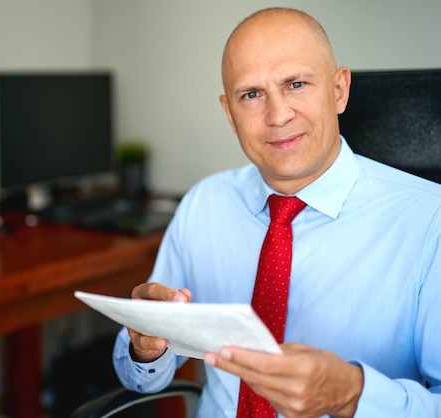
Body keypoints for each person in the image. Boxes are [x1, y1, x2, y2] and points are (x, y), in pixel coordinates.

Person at [112, 7, 441, 418]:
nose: (277, 116)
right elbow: (142, 375)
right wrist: (144, 348)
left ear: (339, 90)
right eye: (251, 95)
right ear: (229, 114)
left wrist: (353, 394)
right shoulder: (204, 203)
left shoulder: (431, 221)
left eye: (296, 84)